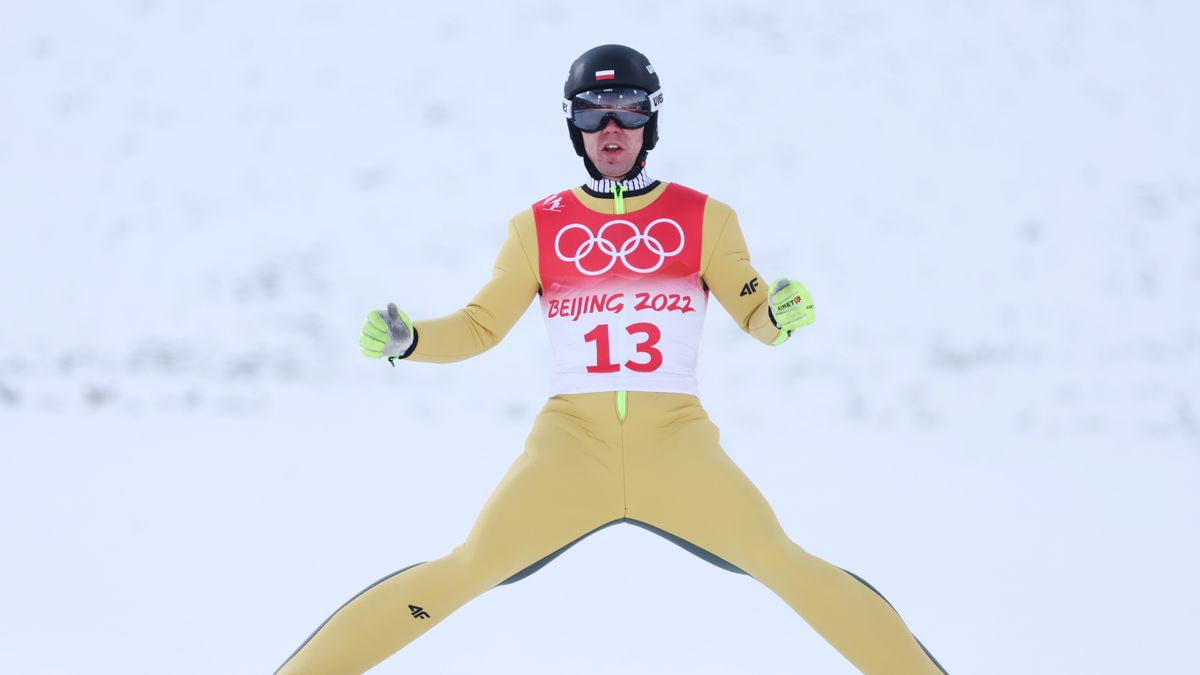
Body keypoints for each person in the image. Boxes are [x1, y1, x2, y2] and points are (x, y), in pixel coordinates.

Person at [275, 44, 948, 675]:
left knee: (784, 564)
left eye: (628, 110)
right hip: (571, 448)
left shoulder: (705, 218)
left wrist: (781, 310)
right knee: (463, 570)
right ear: (575, 128)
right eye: (593, 114)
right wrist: (411, 340)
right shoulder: (536, 226)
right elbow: (481, 326)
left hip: (676, 446)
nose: (611, 129)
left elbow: (757, 315)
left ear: (652, 119)